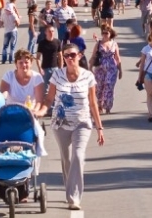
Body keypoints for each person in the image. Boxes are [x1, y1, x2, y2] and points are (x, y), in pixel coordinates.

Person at [39, 44, 104, 211]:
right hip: (60, 124)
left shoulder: (88, 76)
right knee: (67, 160)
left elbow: (93, 103)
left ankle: (73, 197)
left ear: (80, 56)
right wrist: (41, 110)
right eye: (66, 55)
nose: (69, 58)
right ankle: (71, 189)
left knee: (78, 156)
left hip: (82, 123)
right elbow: (49, 99)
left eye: (73, 55)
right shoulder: (57, 75)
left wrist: (99, 128)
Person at [89, 25, 122, 114]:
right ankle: (99, 104)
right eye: (103, 33)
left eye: (106, 33)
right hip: (100, 68)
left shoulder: (114, 44)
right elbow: (93, 56)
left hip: (112, 67)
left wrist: (120, 70)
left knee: (109, 86)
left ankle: (108, 106)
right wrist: (90, 68)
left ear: (110, 34)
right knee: (99, 88)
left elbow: (117, 57)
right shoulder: (98, 43)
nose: (104, 35)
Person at [36, 24, 63, 90]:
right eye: (49, 31)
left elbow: (60, 56)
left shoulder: (57, 42)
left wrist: (61, 68)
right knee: (45, 88)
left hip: (55, 68)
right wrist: (40, 68)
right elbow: (38, 58)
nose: (51, 33)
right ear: (45, 32)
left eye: (53, 31)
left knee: (57, 87)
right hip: (45, 68)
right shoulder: (42, 43)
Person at [1, 0, 20, 64]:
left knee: (5, 46)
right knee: (12, 46)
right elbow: (18, 23)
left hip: (6, 31)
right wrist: (17, 22)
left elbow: (1, 23)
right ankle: (11, 59)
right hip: (13, 31)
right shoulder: (13, 15)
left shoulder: (3, 15)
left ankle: (3, 59)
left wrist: (5, 25)